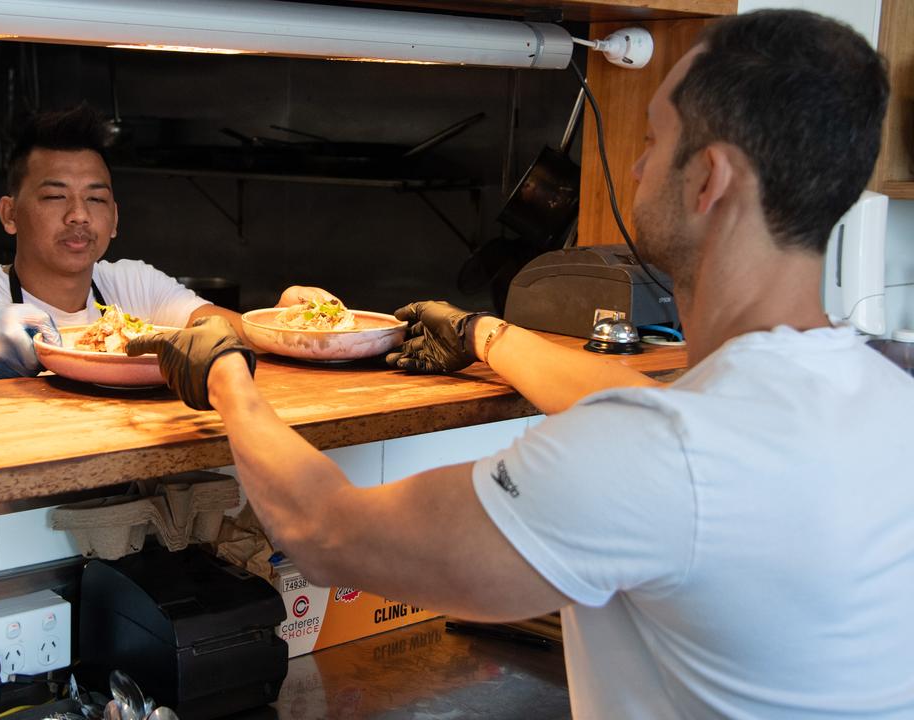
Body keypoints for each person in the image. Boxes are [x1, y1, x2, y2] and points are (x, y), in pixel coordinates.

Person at [128, 10, 914, 718]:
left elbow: (330, 534)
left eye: (653, 142)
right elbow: (653, 407)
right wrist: (483, 336)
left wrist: (227, 372)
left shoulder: (668, 456)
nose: (636, 171)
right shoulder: (883, 389)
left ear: (707, 179)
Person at [0, 105, 332, 385]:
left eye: (95, 198)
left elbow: (222, 332)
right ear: (9, 214)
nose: (78, 216)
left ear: (115, 219)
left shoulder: (133, 284)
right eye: (55, 197)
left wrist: (285, 318)